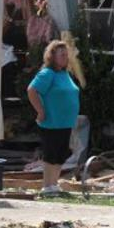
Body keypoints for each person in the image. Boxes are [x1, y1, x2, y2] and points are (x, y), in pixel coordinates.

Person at [27, 40, 80, 195]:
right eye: (61, 55)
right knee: (51, 153)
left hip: (65, 122)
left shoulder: (64, 74)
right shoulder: (47, 73)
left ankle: (54, 185)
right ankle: (47, 186)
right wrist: (40, 111)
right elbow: (32, 90)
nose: (65, 57)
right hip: (51, 122)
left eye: (66, 55)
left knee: (60, 154)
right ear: (52, 57)